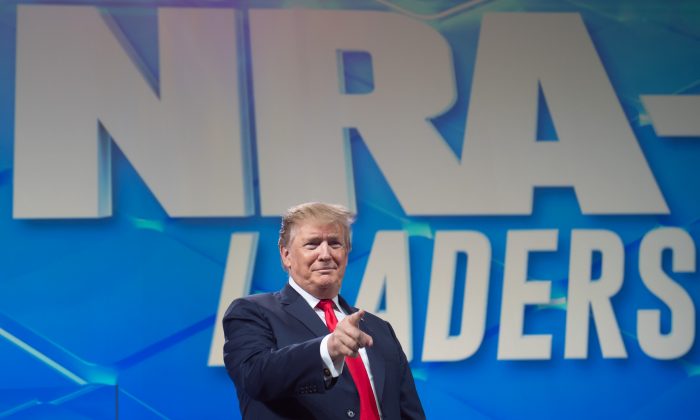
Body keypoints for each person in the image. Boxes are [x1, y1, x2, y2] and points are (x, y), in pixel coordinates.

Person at [223, 202, 425, 419]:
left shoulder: (379, 329)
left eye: (335, 243)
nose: (325, 254)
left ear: (346, 254)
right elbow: (255, 377)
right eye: (312, 244)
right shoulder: (252, 312)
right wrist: (327, 349)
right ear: (286, 255)